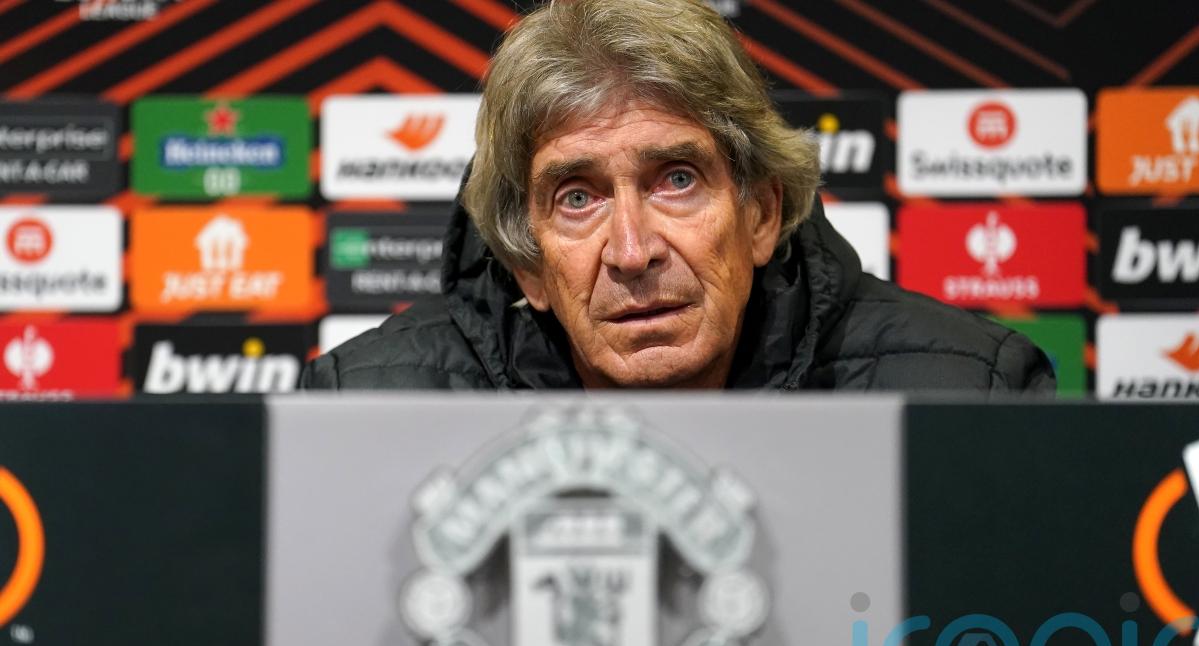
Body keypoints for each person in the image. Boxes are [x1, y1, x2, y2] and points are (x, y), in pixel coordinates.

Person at [302, 0, 1054, 393]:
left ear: (761, 214)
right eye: (577, 198)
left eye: (677, 180)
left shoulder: (967, 395)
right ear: (528, 266)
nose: (633, 253)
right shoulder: (360, 410)